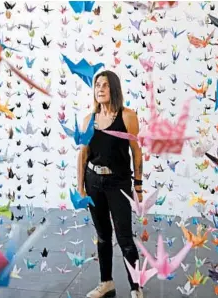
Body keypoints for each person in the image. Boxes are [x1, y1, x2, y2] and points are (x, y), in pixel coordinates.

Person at [77, 70, 144, 298]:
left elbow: (136, 152)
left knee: (124, 237)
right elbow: (83, 155)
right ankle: (107, 283)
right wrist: (80, 187)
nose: (100, 89)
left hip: (119, 182)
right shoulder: (89, 120)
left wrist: (138, 186)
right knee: (103, 235)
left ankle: (136, 288)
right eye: (97, 86)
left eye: (105, 85)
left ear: (114, 88)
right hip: (93, 181)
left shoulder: (127, 117)